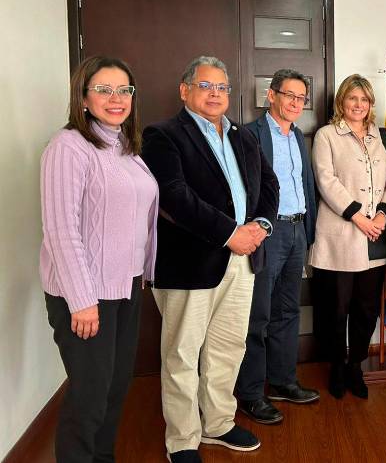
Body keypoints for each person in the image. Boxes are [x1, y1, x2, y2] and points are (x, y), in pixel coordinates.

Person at [142, 56, 279, 463]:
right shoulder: (163, 135)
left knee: (228, 347)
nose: (215, 94)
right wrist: (229, 233)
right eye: (206, 86)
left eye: (222, 87)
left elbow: (268, 184)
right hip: (190, 264)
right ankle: (182, 439)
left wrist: (262, 227)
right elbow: (174, 196)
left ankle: (218, 423)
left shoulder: (242, 135)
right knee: (183, 355)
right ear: (185, 90)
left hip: (243, 259)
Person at [40, 56, 158, 463]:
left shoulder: (125, 146)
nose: (116, 98)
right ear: (83, 98)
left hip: (125, 286)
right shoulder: (69, 147)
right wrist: (82, 300)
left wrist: (140, 271)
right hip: (86, 296)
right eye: (104, 89)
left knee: (114, 388)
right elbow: (61, 230)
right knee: (89, 395)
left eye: (124, 90)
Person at [235, 69, 320, 426]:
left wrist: (309, 231)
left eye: (302, 98)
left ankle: (283, 382)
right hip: (268, 233)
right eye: (290, 95)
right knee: (258, 315)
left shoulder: (299, 136)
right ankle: (251, 394)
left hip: (298, 229)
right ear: (271, 95)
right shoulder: (249, 135)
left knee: (288, 312)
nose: (296, 103)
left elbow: (306, 184)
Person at [309, 74, 386, 399]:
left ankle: (356, 365)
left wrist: (382, 213)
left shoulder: (379, 136)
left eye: (364, 100)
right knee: (337, 309)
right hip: (341, 234)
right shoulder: (327, 135)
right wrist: (359, 217)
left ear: (371, 105)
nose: (358, 105)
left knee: (366, 309)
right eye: (352, 98)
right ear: (341, 101)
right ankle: (337, 366)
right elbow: (326, 181)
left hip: (375, 236)